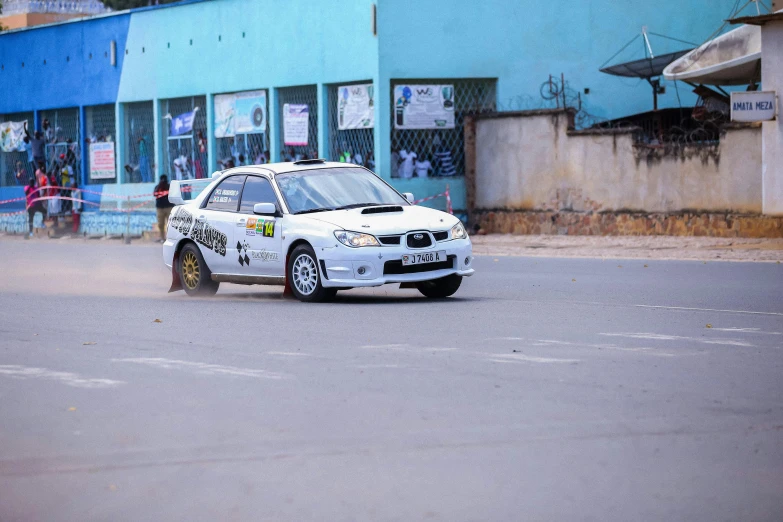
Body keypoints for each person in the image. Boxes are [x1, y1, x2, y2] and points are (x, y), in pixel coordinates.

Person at [154, 175, 175, 242]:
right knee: (161, 224)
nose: (163, 181)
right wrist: (160, 185)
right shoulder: (157, 187)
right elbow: (155, 194)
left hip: (169, 207)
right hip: (160, 208)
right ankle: (162, 238)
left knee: (170, 224)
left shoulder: (169, 187)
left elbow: (173, 194)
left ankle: (170, 238)